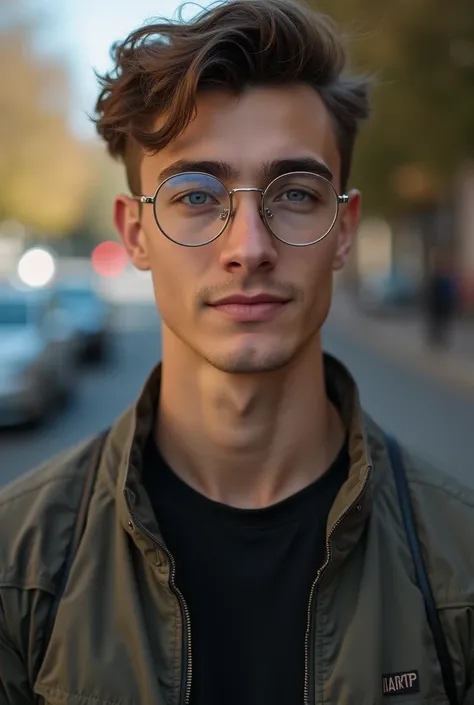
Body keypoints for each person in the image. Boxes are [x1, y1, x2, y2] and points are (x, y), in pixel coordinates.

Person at [1, 1, 473, 703]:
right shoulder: (19, 563)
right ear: (135, 234)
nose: (248, 247)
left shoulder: (458, 566)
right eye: (196, 196)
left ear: (343, 230)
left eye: (295, 193)